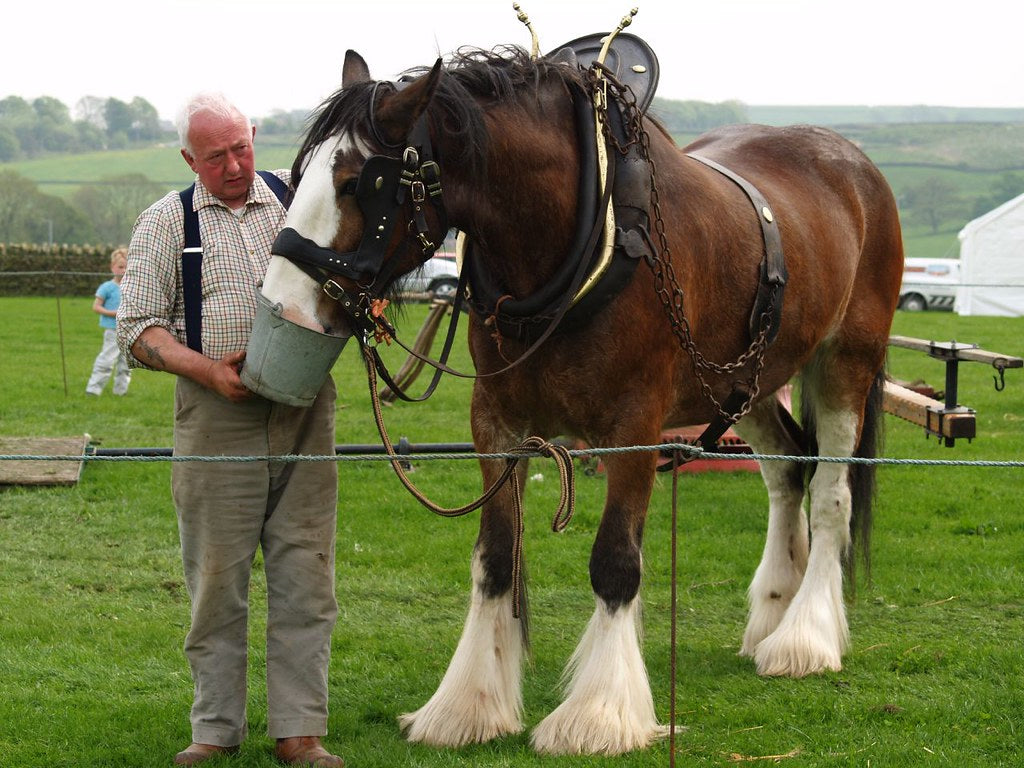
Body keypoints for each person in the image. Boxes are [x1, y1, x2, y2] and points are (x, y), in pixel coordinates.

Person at [116, 92, 342, 768]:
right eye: (217, 157)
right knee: (217, 580)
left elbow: (346, 277)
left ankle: (299, 734)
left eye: (242, 146)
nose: (237, 164)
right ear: (190, 159)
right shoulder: (166, 222)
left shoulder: (295, 197)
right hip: (217, 420)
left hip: (306, 410)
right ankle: (215, 731)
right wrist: (210, 372)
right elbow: (138, 331)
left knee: (307, 576)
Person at [85, 247, 131, 396]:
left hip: (129, 332)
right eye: (120, 267)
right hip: (112, 331)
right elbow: (96, 307)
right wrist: (113, 314)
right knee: (106, 360)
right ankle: (93, 389)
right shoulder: (107, 287)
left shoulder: (132, 287)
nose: (124, 270)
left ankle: (121, 392)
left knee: (126, 365)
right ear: (112, 267)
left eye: (127, 267)